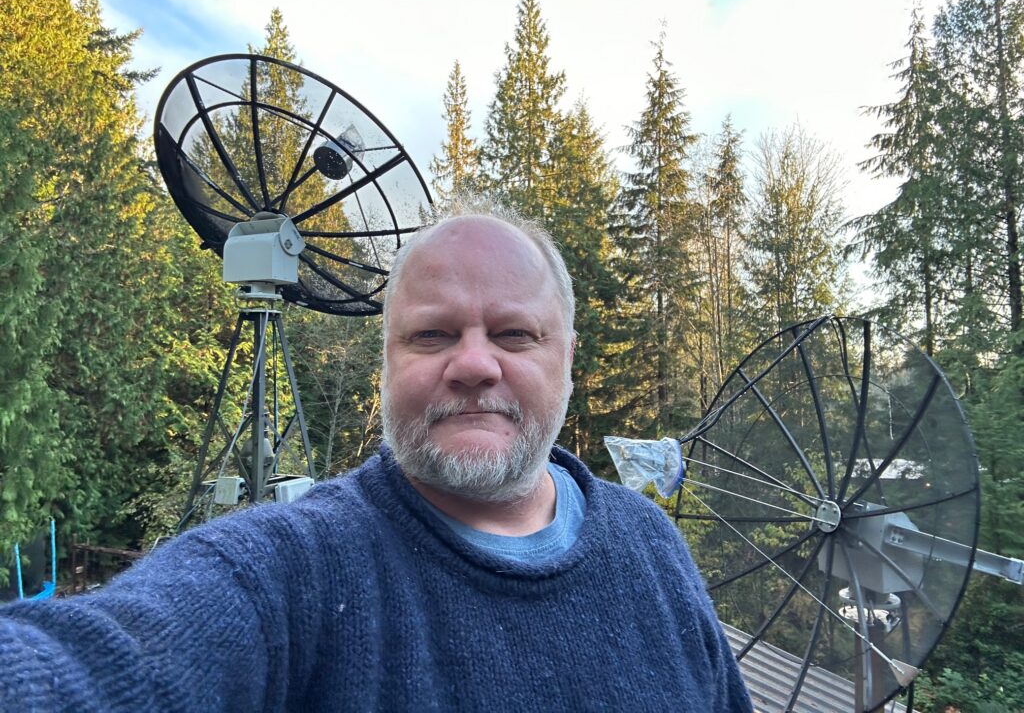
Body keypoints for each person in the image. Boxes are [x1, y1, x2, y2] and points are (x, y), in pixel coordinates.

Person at [0, 201, 753, 712]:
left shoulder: (652, 545)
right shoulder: (295, 572)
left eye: (516, 335)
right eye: (432, 335)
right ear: (386, 362)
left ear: (569, 360)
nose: (474, 365)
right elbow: (106, 661)